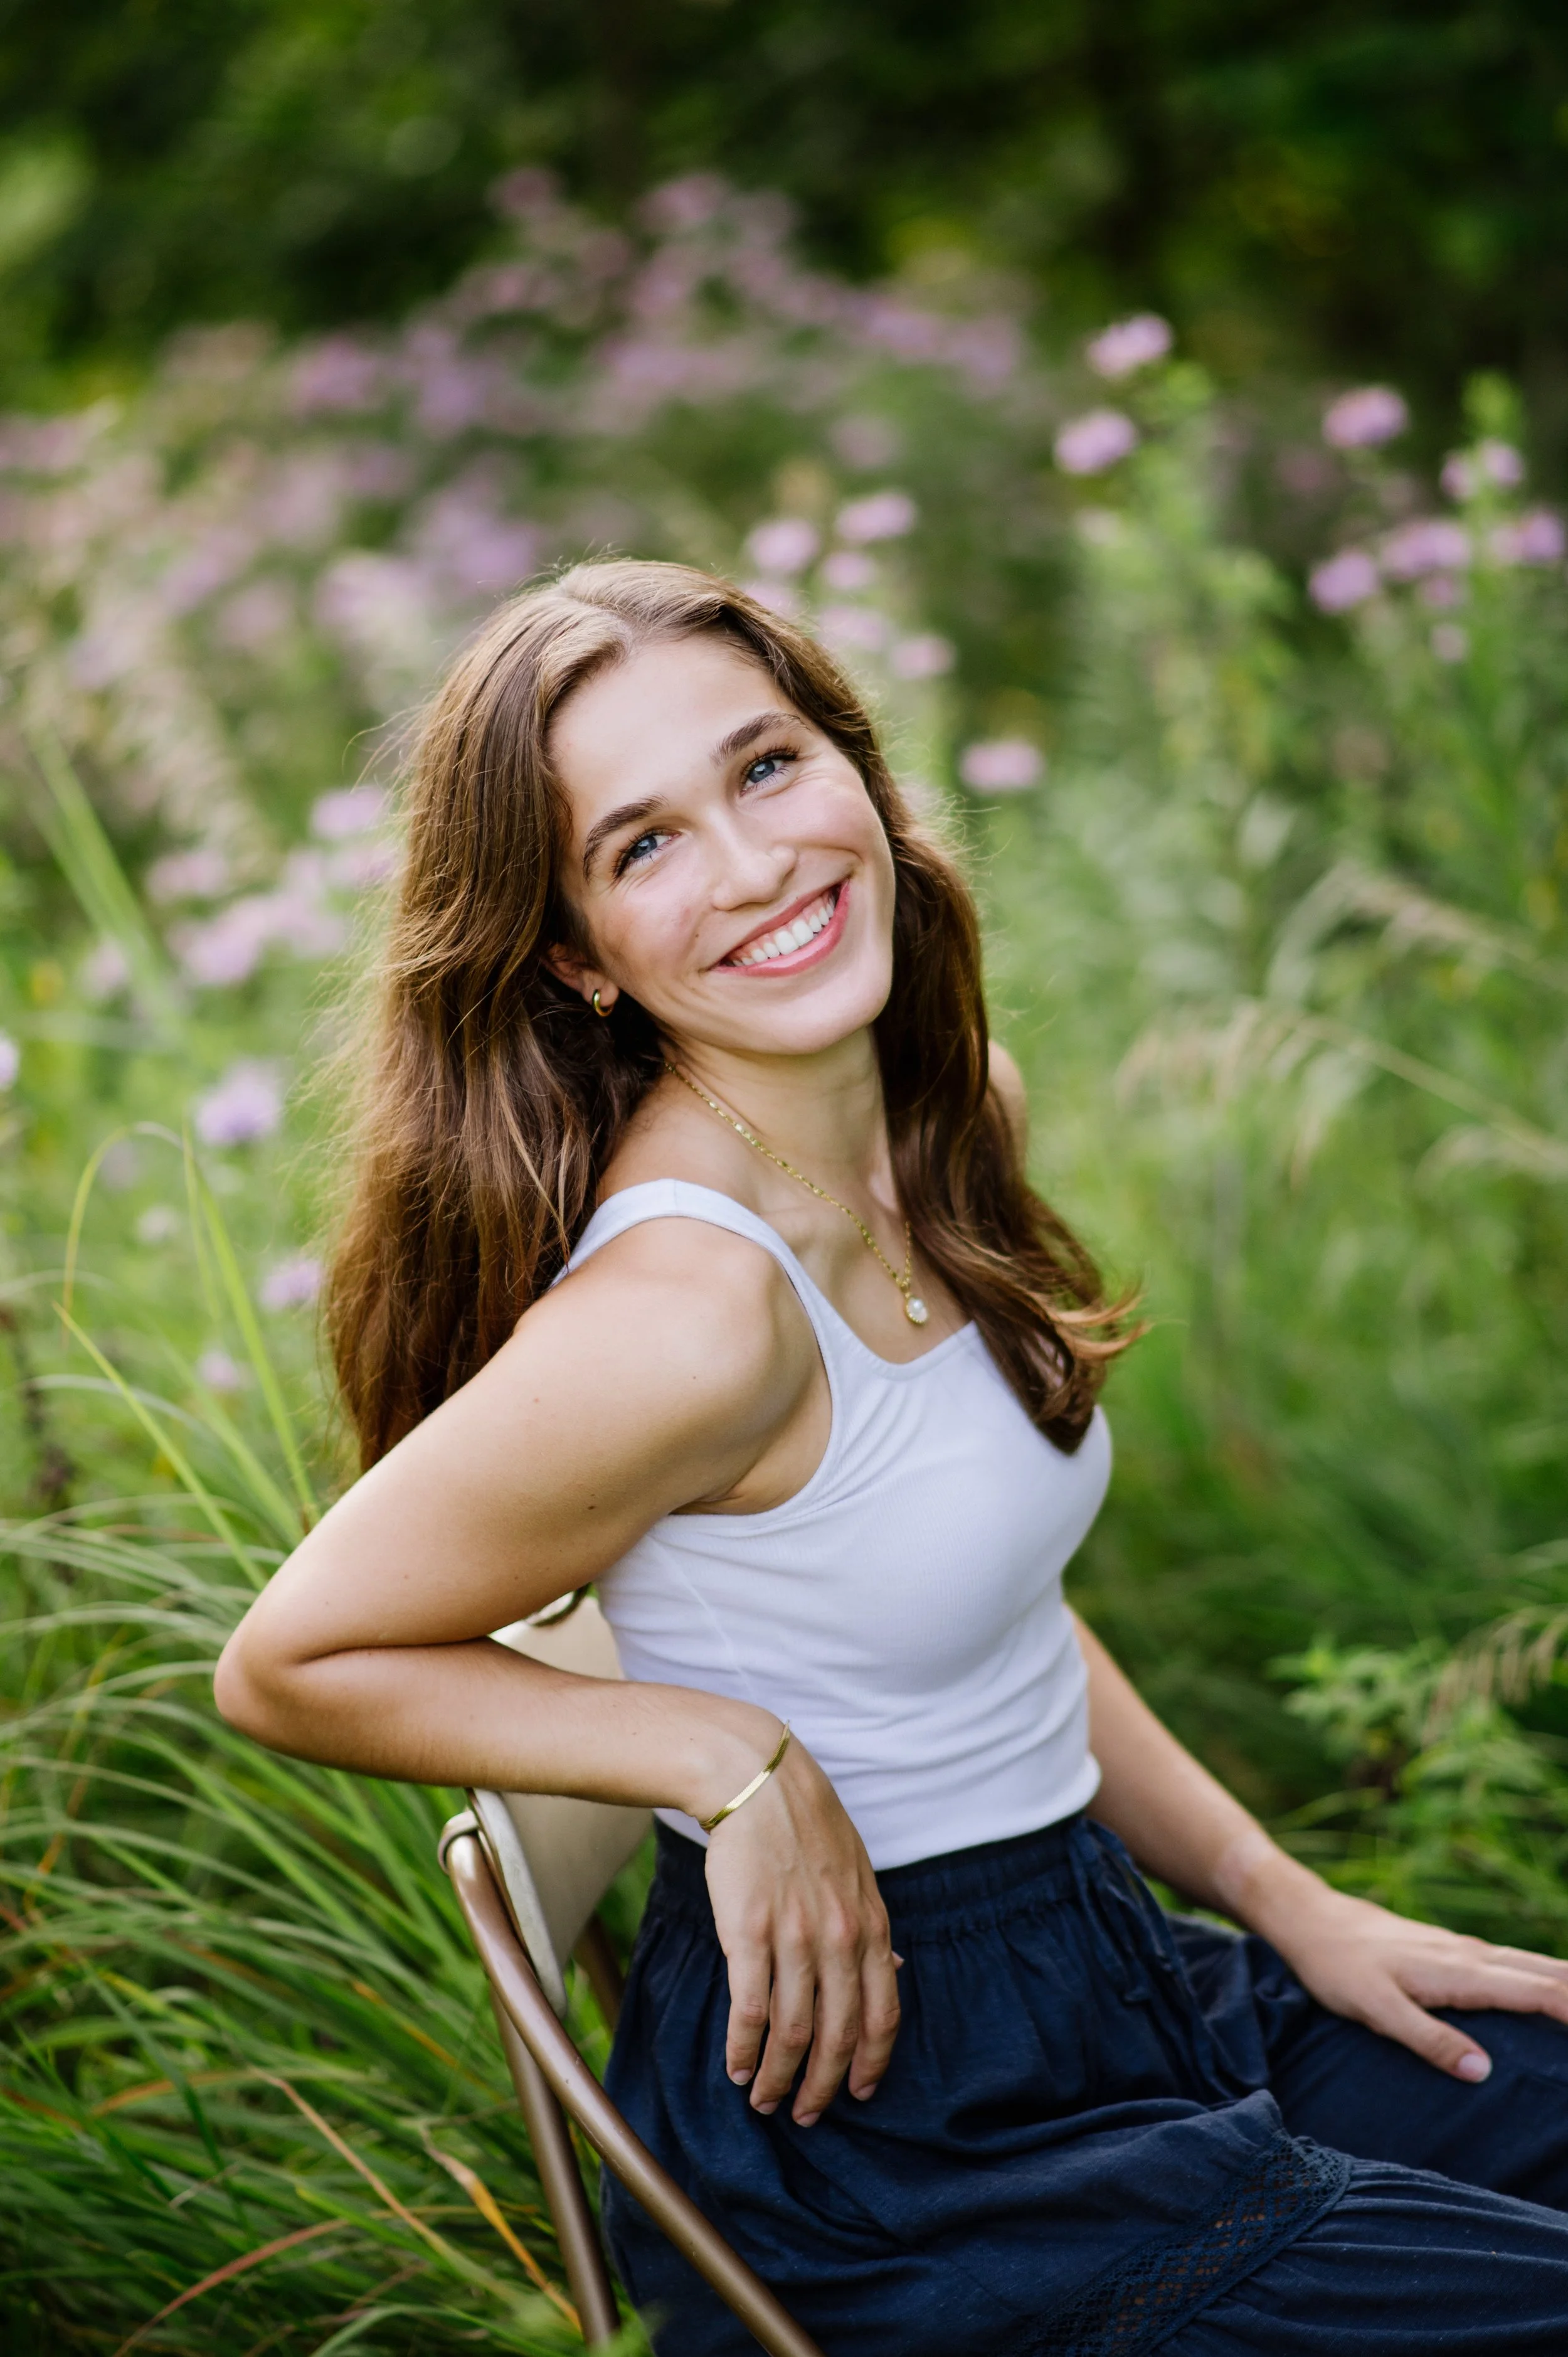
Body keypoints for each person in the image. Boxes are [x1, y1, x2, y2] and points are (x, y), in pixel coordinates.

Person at [216, 560, 1568, 2355]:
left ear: (854, 766)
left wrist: (1277, 1890)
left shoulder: (948, 1117)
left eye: (766, 767)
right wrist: (726, 1754)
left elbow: (983, 1607)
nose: (758, 861)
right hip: (889, 2132)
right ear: (572, 956)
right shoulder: (689, 1312)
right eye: (643, 845)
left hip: (1109, 1971)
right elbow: (287, 1659)